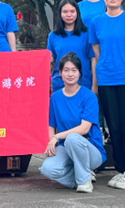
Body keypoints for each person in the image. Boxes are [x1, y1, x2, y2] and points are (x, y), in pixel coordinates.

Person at [89, 0, 125, 190]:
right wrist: (96, 82)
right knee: (114, 127)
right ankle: (121, 170)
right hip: (106, 79)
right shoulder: (97, 22)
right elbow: (96, 52)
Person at [39, 52, 106, 193]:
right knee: (47, 169)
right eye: (66, 70)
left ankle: (84, 182)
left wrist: (57, 136)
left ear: (80, 73)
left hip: (90, 150)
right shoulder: (55, 98)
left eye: (74, 70)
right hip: (66, 148)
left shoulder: (89, 96)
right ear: (60, 73)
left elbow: (84, 128)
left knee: (73, 138)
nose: (70, 74)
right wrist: (51, 144)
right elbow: (51, 125)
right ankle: (82, 175)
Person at [47, 0, 96, 92]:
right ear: (60, 14)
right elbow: (49, 60)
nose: (69, 15)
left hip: (83, 83)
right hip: (59, 84)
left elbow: (93, 59)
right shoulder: (53, 36)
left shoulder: (87, 34)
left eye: (72, 11)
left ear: (77, 13)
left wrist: (94, 85)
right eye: (65, 12)